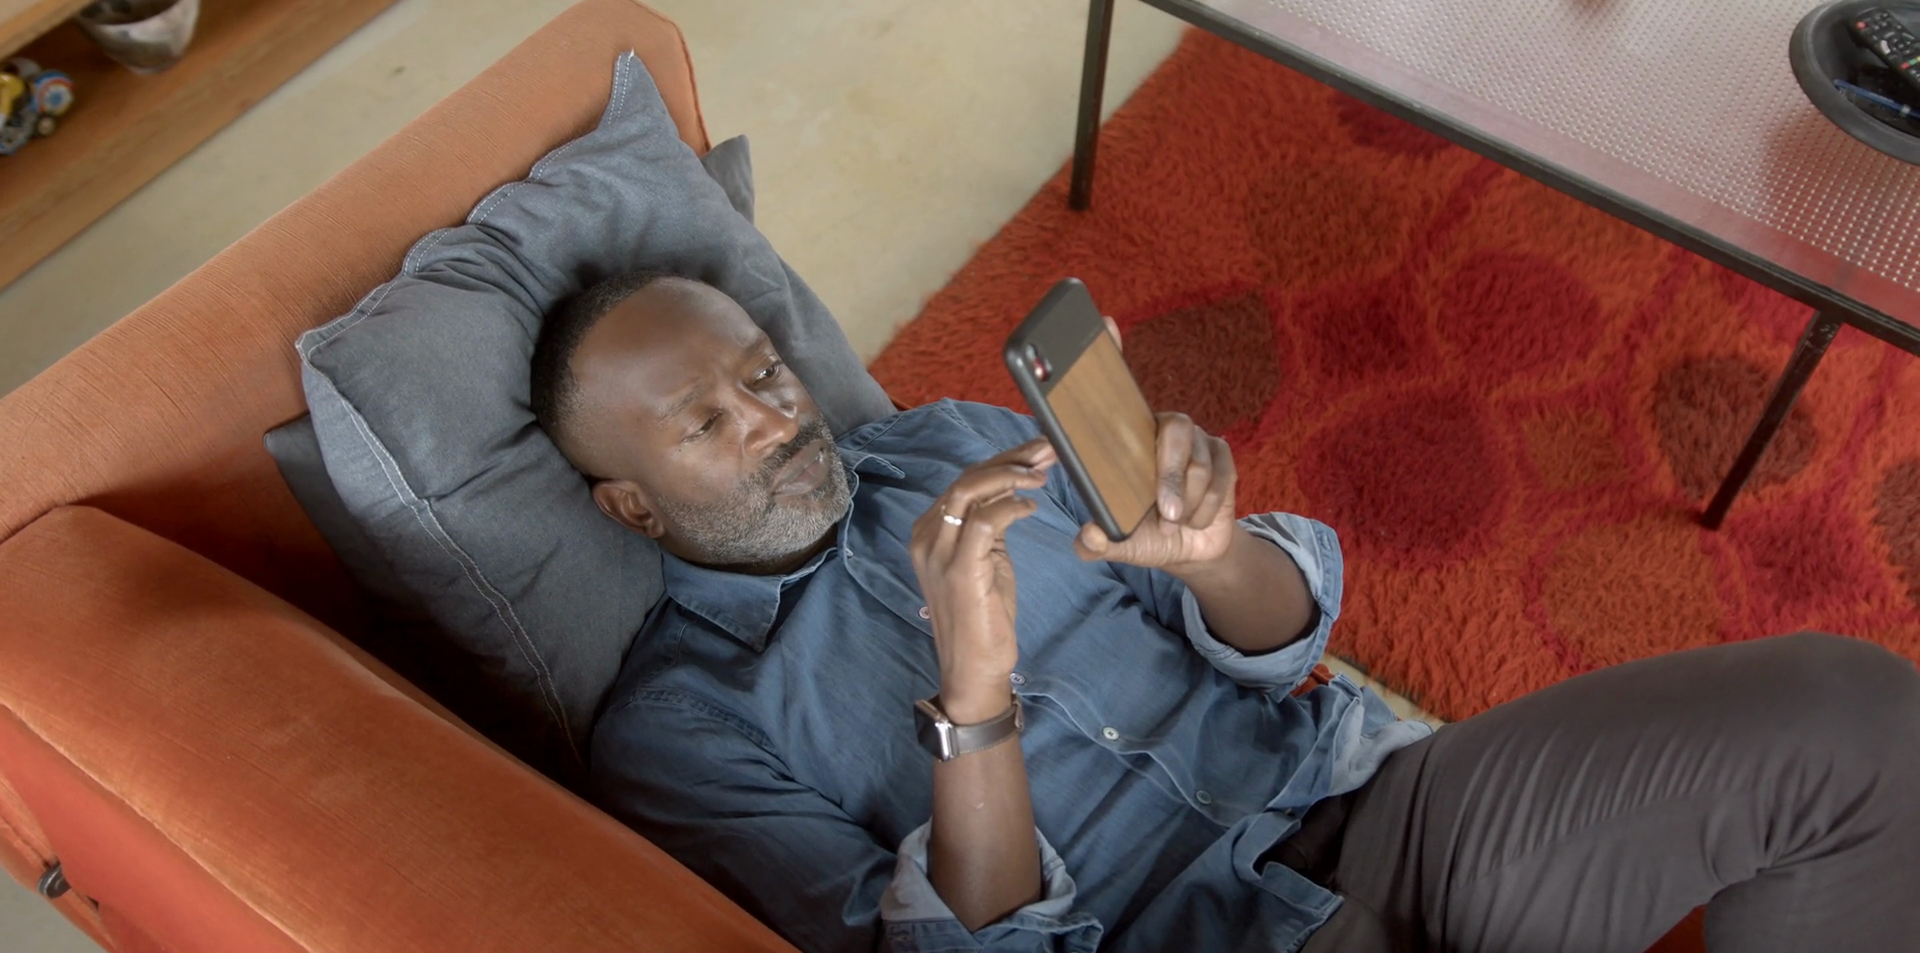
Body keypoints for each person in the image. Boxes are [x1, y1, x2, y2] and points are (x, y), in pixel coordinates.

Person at [534, 273, 1920, 953]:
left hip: (1372, 800)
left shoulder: (943, 438)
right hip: (1190, 938)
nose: (773, 420)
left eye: (765, 373)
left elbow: (1283, 640)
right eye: (704, 422)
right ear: (632, 507)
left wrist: (1208, 556)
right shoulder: (678, 727)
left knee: (1852, 720)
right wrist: (975, 703)